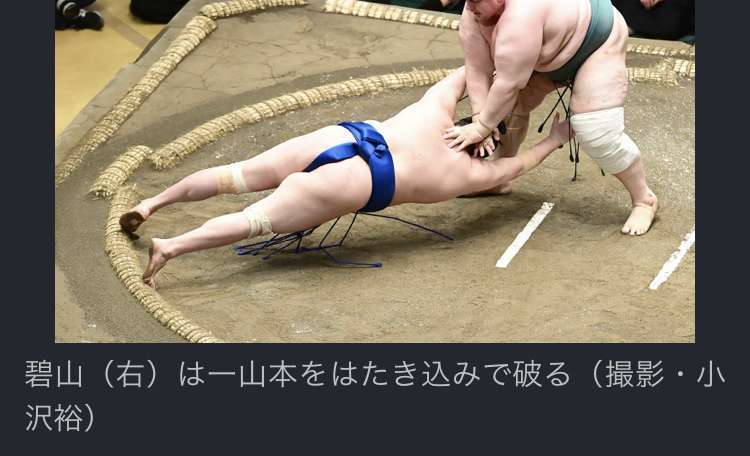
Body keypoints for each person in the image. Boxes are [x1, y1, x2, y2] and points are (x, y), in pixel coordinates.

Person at [119, 68, 571, 288]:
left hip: (345, 136)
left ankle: (151, 204)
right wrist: (554, 139)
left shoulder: (433, 109)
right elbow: (518, 165)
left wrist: (507, 72)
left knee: (233, 176)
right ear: (487, 142)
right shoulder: (467, 174)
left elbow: (467, 72)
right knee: (252, 220)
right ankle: (170, 246)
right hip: (356, 182)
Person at [443, 0, 657, 236]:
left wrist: (482, 127)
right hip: (548, 53)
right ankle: (497, 179)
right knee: (506, 109)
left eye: (475, 1)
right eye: (466, 0)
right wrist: (479, 119)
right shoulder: (473, 14)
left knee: (596, 131)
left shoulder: (520, 17)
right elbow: (477, 69)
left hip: (596, 42)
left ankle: (644, 199)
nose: (469, 8)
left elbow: (508, 84)